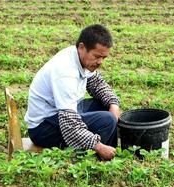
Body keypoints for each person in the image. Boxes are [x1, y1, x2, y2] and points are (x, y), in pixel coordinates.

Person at [25, 24, 121, 161]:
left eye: (103, 58)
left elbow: (96, 83)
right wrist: (98, 146)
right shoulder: (65, 72)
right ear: (82, 47)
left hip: (63, 113)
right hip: (43, 128)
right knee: (107, 120)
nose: (100, 62)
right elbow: (69, 124)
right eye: (97, 56)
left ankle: (109, 153)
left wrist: (113, 104)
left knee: (107, 107)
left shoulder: (80, 58)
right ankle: (91, 160)